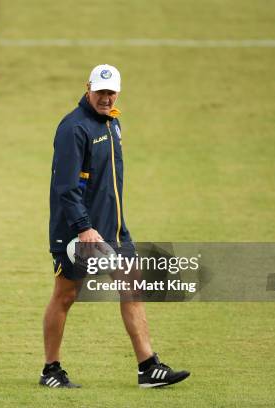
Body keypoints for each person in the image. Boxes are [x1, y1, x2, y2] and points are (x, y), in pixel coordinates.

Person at [40, 64, 190, 389]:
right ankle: (51, 369)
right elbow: (65, 187)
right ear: (88, 88)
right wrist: (83, 227)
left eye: (111, 92)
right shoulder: (73, 129)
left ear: (118, 92)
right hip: (77, 232)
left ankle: (148, 367)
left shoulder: (112, 124)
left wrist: (115, 226)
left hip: (114, 230)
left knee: (133, 287)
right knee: (65, 296)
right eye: (100, 92)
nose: (105, 98)